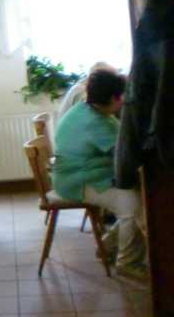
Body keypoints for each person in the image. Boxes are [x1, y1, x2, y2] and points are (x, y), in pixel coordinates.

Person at [53, 70, 146, 280]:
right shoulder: (95, 123)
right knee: (132, 205)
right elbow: (125, 155)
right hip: (76, 181)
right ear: (113, 98)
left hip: (80, 175)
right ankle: (128, 263)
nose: (124, 102)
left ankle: (107, 247)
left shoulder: (87, 110)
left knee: (136, 201)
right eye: (122, 97)